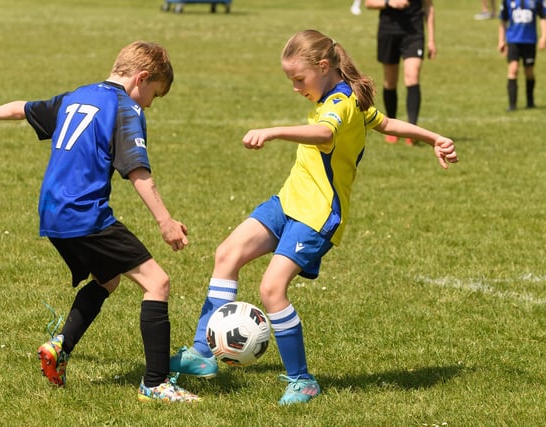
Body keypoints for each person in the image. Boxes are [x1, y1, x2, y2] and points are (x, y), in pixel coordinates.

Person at [169, 29, 458, 406]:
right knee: (227, 254)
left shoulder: (340, 102)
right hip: (288, 201)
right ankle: (203, 353)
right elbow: (385, 123)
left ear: (323, 67)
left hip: (317, 214)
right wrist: (434, 137)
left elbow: (323, 133)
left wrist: (272, 132)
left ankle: (302, 380)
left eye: (299, 79)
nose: (295, 87)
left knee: (272, 290)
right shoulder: (342, 96)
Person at [0, 41, 200, 403]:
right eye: (153, 95)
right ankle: (156, 384)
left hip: (51, 212)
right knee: (157, 282)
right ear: (141, 78)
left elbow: (26, 108)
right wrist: (166, 221)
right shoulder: (125, 108)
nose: (148, 104)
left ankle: (60, 347)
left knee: (108, 278)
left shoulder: (78, 96)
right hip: (84, 213)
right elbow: (138, 172)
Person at [365, 0, 436, 145]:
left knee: (412, 76)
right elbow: (369, 3)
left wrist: (431, 40)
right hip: (388, 31)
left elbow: (429, 6)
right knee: (390, 81)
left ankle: (413, 131)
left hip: (414, 33)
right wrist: (389, 2)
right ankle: (392, 127)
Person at [498, 0, 546, 111]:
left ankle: (530, 102)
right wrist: (501, 40)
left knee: (529, 71)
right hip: (513, 40)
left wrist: (544, 37)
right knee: (513, 69)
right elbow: (503, 20)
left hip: (529, 41)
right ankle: (512, 105)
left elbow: (543, 17)